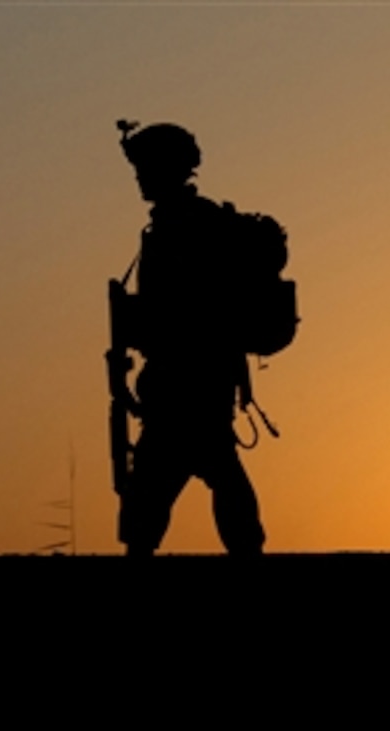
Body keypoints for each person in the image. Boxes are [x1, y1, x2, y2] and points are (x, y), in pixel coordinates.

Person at [114, 121, 266, 556]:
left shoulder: (187, 228)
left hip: (187, 379)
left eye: (146, 168)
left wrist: (144, 325)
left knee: (157, 490)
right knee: (214, 471)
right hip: (193, 378)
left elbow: (187, 309)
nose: (140, 178)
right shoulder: (178, 225)